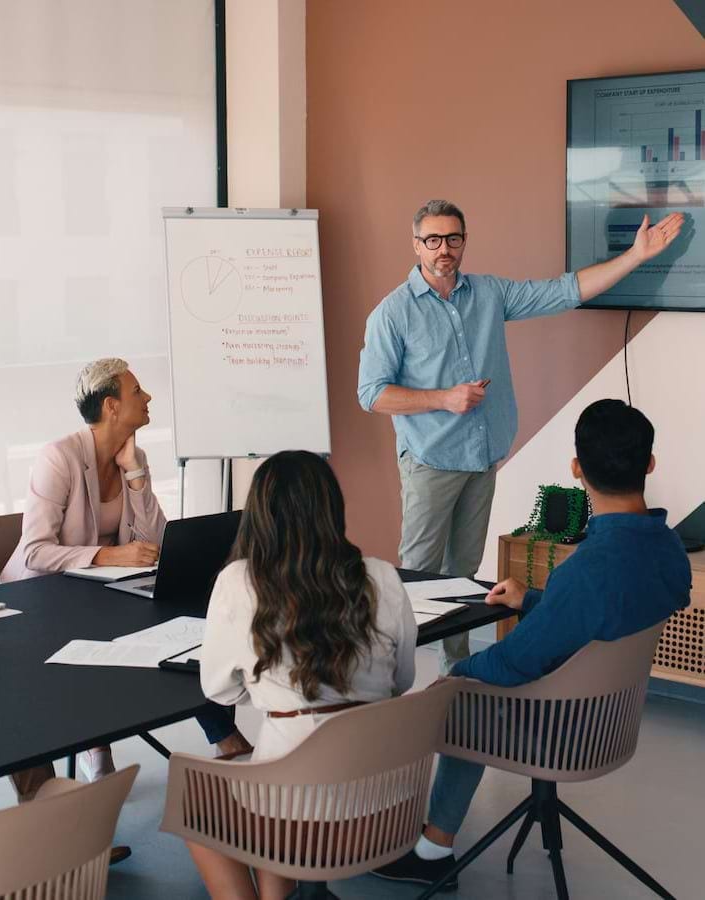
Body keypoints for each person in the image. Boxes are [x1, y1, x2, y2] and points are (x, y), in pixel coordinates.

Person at [357, 199, 685, 675]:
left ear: (464, 241)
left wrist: (635, 256)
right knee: (417, 575)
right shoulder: (392, 314)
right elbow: (371, 394)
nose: (443, 249)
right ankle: (392, 671)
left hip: (483, 456)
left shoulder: (488, 293)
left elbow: (564, 291)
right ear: (416, 245)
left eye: (453, 238)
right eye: (432, 240)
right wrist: (444, 398)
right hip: (431, 459)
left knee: (463, 571)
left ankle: (456, 666)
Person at [374, 399, 692, 889]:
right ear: (649, 464)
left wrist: (455, 676)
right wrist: (532, 600)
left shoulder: (586, 568)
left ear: (576, 469)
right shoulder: (668, 549)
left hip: (559, 728)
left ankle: (433, 849)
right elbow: (599, 616)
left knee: (462, 692)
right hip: (612, 719)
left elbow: (515, 662)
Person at [1, 358, 250, 811]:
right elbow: (35, 552)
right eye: (139, 392)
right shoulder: (58, 457)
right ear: (112, 405)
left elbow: (156, 538)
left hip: (101, 593)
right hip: (41, 600)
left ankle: (224, 738)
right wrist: (106, 555)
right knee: (134, 638)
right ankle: (99, 748)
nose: (149, 398)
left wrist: (134, 473)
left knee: (186, 628)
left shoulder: (133, 457)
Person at [190, 450, 418, 899]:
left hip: (292, 821)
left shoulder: (239, 582)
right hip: (385, 813)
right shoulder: (382, 577)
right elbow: (402, 679)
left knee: (199, 804)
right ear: (332, 506)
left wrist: (267, 690)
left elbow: (216, 688)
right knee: (277, 780)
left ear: (258, 515)